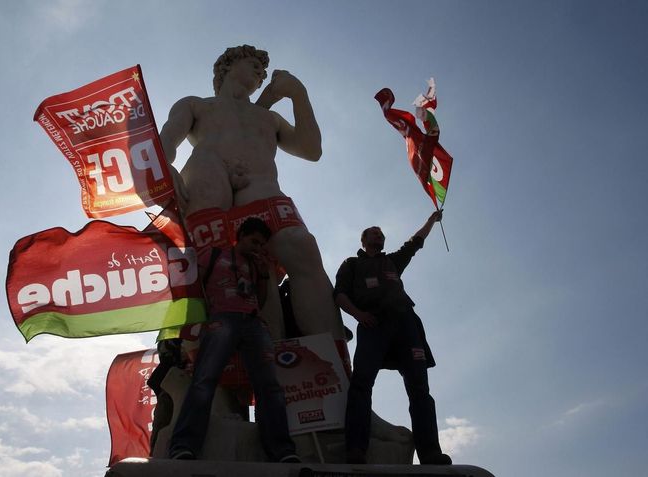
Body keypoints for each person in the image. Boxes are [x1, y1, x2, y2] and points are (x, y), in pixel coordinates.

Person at [159, 45, 343, 340]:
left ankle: (330, 359)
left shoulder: (267, 118)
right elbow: (164, 141)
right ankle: (211, 348)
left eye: (263, 71)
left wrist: (298, 93)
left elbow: (311, 150)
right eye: (253, 64)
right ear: (227, 67)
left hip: (260, 190)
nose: (260, 72)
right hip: (207, 187)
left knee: (300, 247)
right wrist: (165, 167)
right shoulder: (196, 105)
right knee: (217, 265)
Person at [168, 217, 299, 462]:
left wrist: (262, 275)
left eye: (261, 245)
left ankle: (282, 451)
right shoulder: (214, 254)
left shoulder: (255, 265)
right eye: (254, 241)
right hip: (222, 319)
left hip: (253, 323)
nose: (257, 248)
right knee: (204, 380)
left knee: (269, 387)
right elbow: (196, 288)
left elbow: (259, 302)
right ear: (240, 236)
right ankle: (183, 447)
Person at [333, 210, 451, 465]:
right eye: (373, 232)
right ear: (363, 241)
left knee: (420, 388)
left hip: (406, 325)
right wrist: (359, 314)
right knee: (361, 383)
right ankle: (355, 449)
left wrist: (431, 220)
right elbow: (340, 295)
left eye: (381, 233)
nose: (378, 234)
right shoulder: (351, 265)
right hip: (373, 323)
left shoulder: (393, 262)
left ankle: (430, 453)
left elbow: (415, 242)